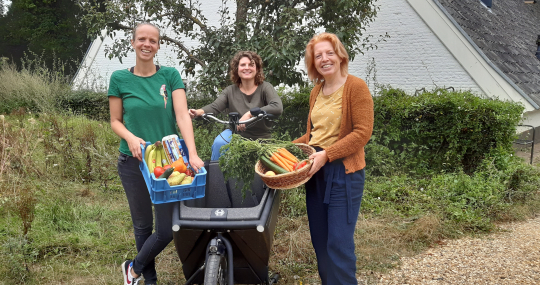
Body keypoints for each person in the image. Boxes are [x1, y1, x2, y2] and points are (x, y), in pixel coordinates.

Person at [108, 22, 204, 285]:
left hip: (168, 163)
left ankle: (134, 268)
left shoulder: (170, 76)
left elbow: (182, 116)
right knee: (142, 226)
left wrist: (192, 154)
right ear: (133, 42)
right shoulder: (119, 78)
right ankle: (149, 280)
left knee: (165, 230)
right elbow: (115, 120)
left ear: (158, 45)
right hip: (132, 161)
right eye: (141, 39)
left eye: (152, 40)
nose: (146, 44)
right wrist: (130, 137)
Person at [292, 32, 374, 284]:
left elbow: (362, 132)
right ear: (313, 63)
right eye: (318, 56)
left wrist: (327, 155)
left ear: (340, 55)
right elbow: (314, 133)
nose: (324, 59)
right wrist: (285, 148)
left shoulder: (355, 87)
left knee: (338, 243)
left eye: (329, 53)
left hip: (344, 174)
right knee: (321, 243)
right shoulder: (316, 91)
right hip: (315, 173)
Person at [189, 51, 283, 160]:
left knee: (266, 167)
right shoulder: (230, 91)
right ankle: (217, 176)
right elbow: (215, 107)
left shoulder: (265, 87)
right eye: (243, 65)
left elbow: (277, 106)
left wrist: (250, 113)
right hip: (236, 135)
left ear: (257, 69)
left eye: (251, 64)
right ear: (237, 69)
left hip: (261, 137)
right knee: (219, 143)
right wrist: (198, 112)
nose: (246, 68)